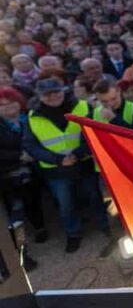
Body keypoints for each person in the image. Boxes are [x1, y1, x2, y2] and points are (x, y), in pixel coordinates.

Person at [22, 78, 110, 253]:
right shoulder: (32, 116)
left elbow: (95, 133)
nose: (53, 96)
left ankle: (104, 225)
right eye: (47, 94)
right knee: (65, 205)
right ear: (39, 96)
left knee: (94, 196)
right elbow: (30, 146)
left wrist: (77, 154)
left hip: (83, 163)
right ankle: (73, 234)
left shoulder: (83, 107)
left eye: (56, 91)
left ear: (64, 90)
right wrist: (58, 159)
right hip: (56, 170)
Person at [0, 87, 46, 254]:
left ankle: (40, 227)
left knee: (35, 200)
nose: (8, 107)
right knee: (16, 211)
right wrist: (20, 155)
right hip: (10, 175)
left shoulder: (28, 118)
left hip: (34, 169)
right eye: (2, 105)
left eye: (11, 102)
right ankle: (20, 249)